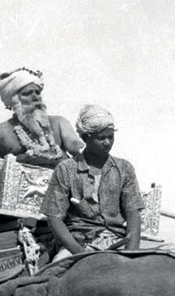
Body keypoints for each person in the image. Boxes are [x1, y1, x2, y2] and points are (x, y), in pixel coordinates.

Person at [41, 105, 144, 260]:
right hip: (81, 242)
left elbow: (133, 212)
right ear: (85, 137)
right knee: (58, 269)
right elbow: (54, 217)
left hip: (118, 240)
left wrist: (131, 254)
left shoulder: (124, 168)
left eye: (111, 137)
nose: (107, 142)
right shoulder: (66, 169)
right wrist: (79, 253)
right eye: (101, 138)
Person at [0, 67, 83, 167]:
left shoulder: (59, 123)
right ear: (14, 100)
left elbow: (77, 147)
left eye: (37, 92)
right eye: (27, 93)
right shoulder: (2, 131)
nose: (35, 97)